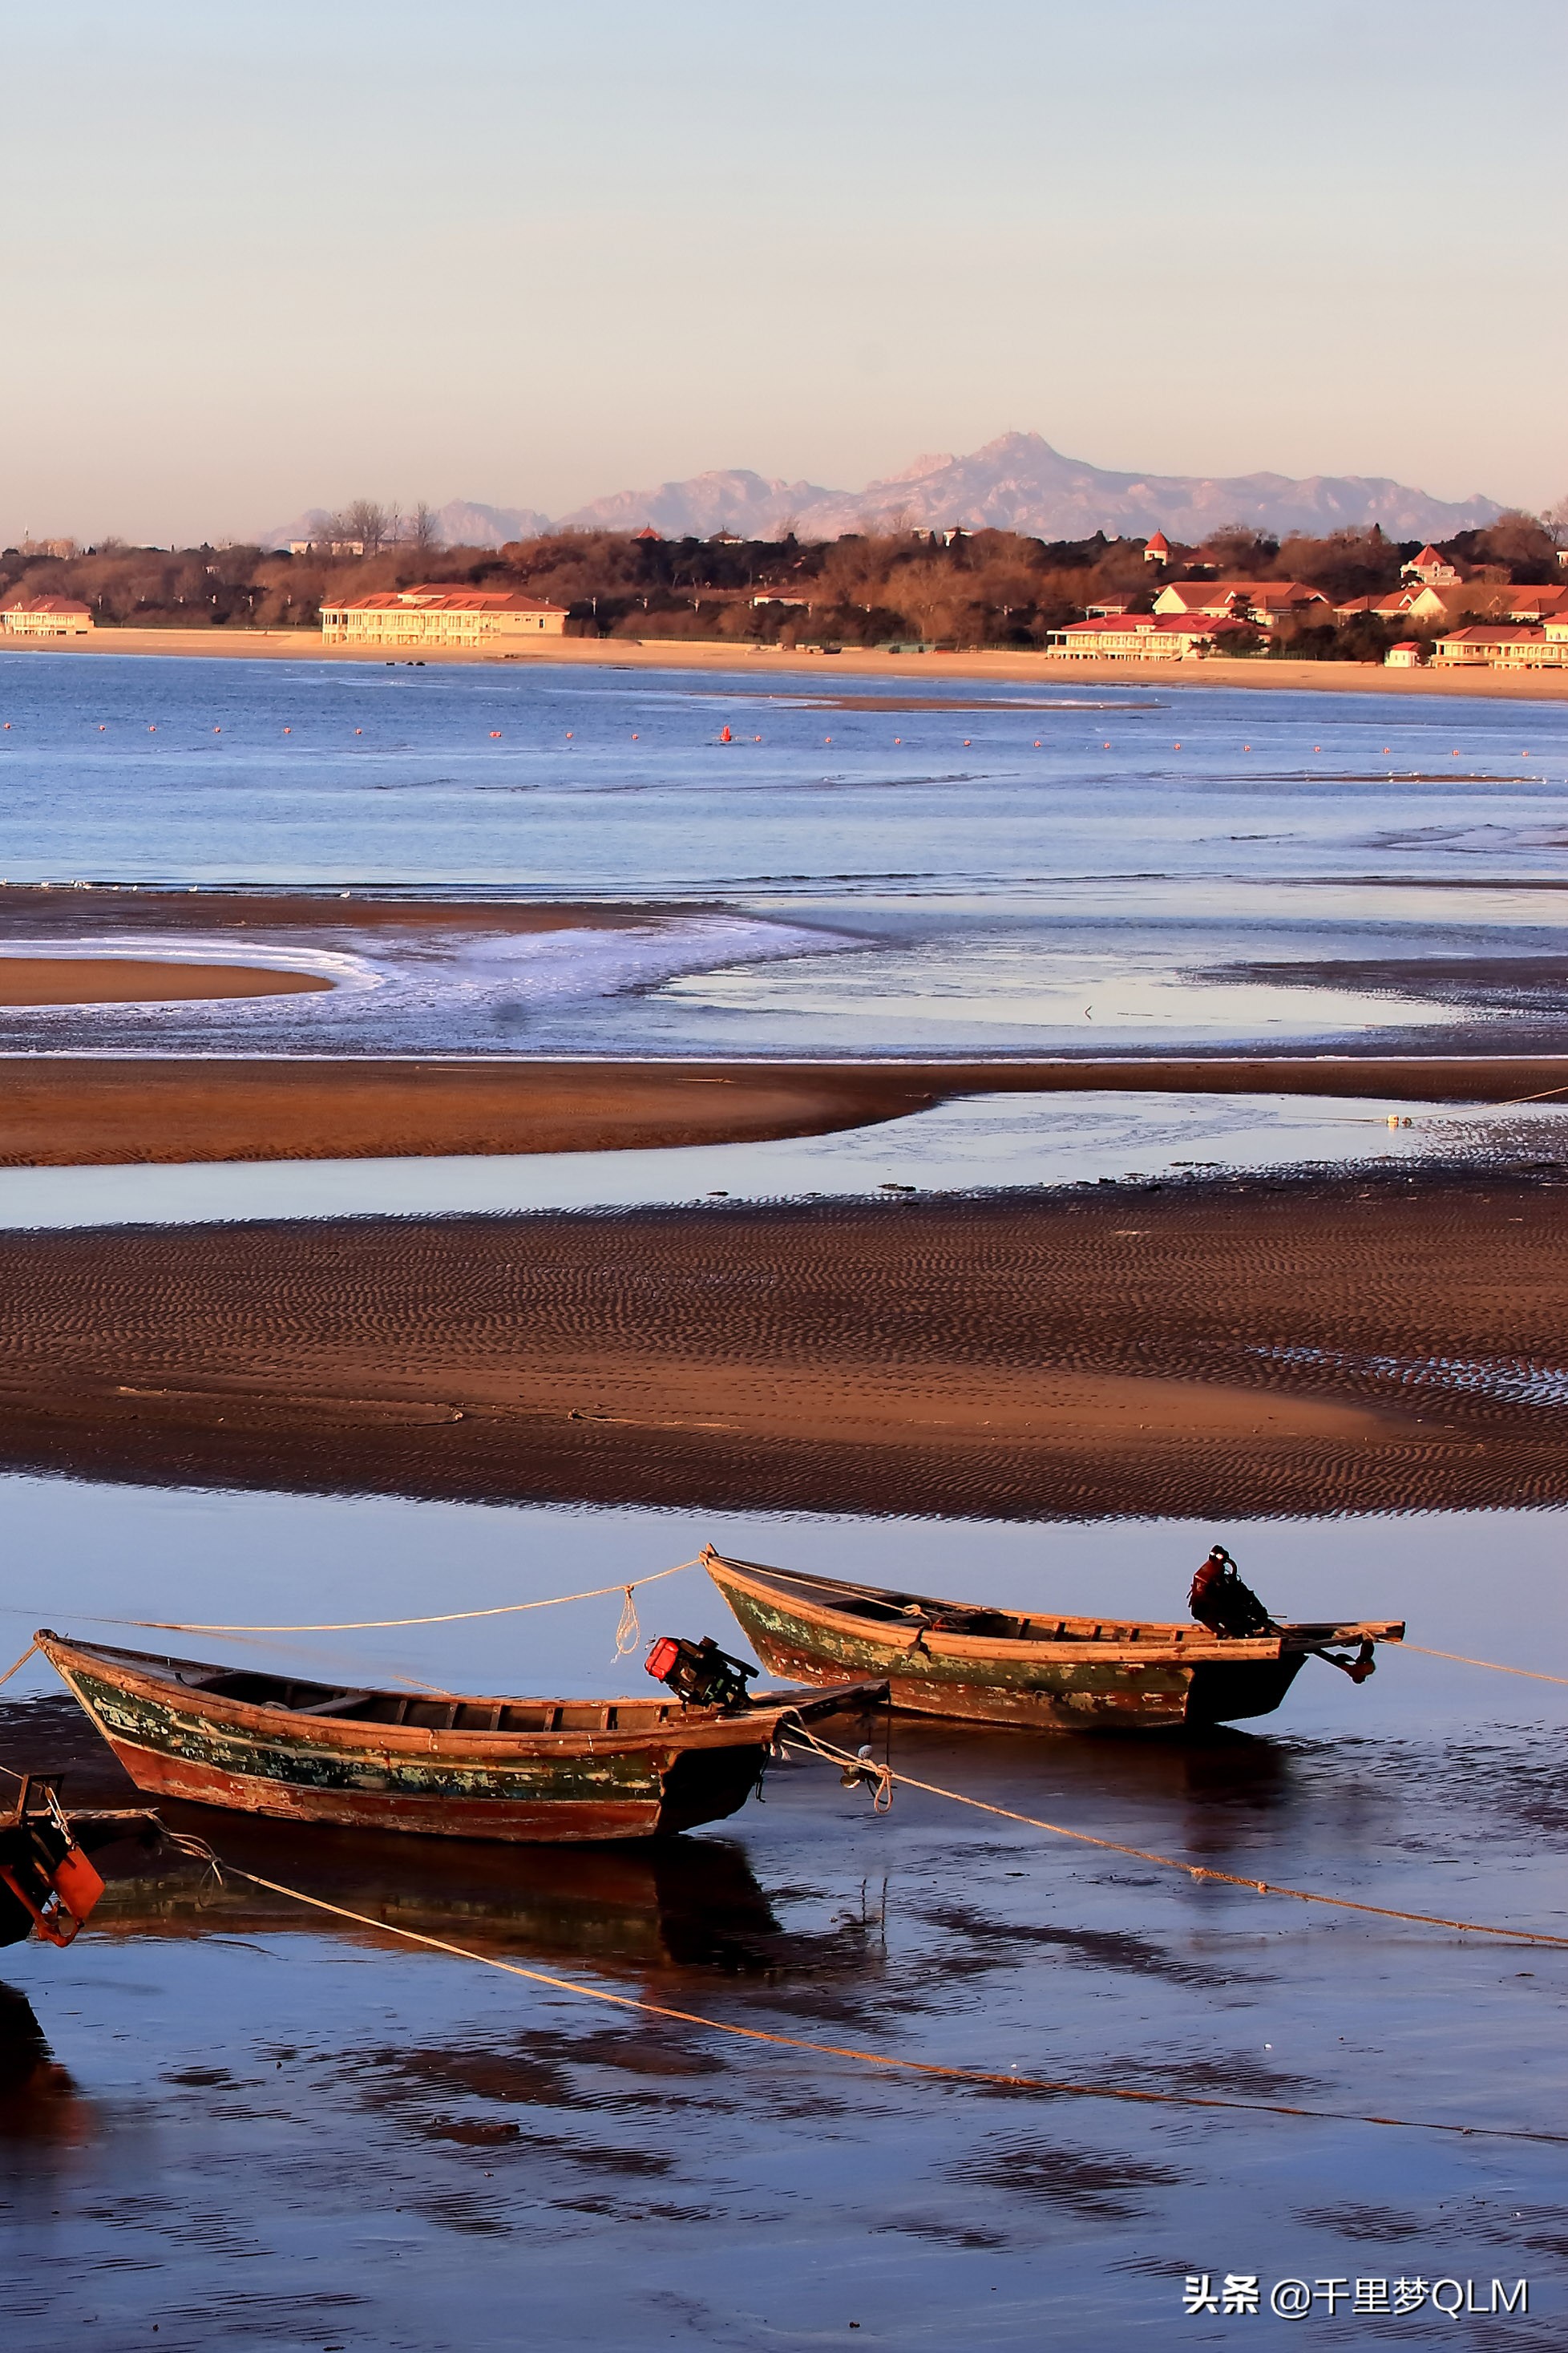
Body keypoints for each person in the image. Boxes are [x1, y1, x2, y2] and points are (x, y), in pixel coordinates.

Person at [1188, 1544, 1274, 1639]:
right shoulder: (1205, 1576)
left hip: (1219, 1606)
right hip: (1207, 1609)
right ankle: (1233, 1636)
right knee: (1232, 1620)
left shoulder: (1222, 1577)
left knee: (1239, 1604)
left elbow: (1241, 1593)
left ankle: (1243, 1630)